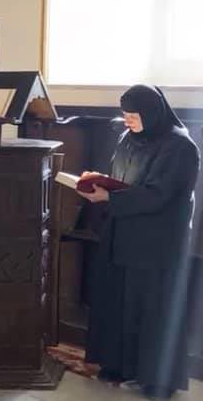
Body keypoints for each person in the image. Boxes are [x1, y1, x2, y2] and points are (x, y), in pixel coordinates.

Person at [78, 85, 200, 399]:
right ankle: (119, 366)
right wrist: (98, 183)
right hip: (124, 234)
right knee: (120, 305)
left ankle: (156, 381)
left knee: (152, 311)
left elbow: (160, 194)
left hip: (157, 243)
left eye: (134, 115)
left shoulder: (180, 146)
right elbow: (120, 178)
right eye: (125, 115)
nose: (128, 121)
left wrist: (110, 198)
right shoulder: (127, 138)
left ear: (153, 113)